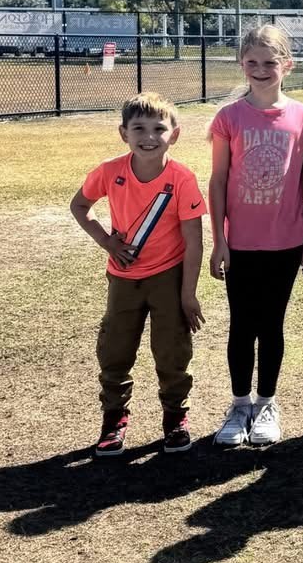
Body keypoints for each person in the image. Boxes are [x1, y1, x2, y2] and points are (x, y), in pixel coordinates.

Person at [69, 93, 206, 456]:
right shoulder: (110, 171)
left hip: (168, 277)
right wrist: (106, 241)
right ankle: (114, 418)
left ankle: (175, 417)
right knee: (115, 349)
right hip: (124, 278)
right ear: (123, 133)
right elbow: (79, 205)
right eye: (139, 129)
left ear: (174, 134)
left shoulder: (182, 178)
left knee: (172, 350)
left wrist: (188, 294)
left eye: (159, 129)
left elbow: (194, 241)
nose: (149, 137)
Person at [208, 25, 303, 449]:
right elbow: (218, 181)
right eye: (252, 62)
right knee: (242, 324)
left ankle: (267, 404)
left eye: (269, 62)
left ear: (287, 65)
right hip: (240, 242)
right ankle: (239, 406)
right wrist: (219, 240)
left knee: (271, 324)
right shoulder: (229, 117)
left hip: (285, 241)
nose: (260, 69)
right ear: (241, 64)